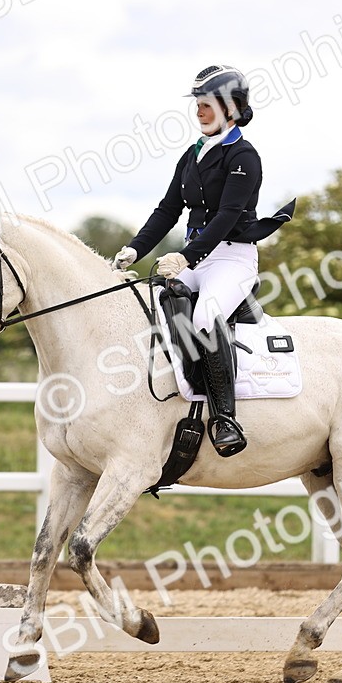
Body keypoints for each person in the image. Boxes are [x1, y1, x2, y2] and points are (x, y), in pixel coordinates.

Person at [112, 65, 293, 458]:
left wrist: (184, 256)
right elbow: (167, 210)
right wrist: (135, 250)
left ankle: (225, 418)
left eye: (207, 103)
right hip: (196, 259)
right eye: (197, 103)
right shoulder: (193, 155)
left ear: (232, 108)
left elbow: (227, 215)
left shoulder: (244, 156)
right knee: (155, 302)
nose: (199, 111)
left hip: (232, 258)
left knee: (206, 316)